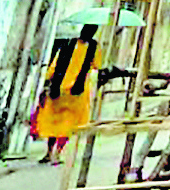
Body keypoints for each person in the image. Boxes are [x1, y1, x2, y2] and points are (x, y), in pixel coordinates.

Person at [30, 24, 129, 165]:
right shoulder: (93, 47)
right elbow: (96, 66)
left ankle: (49, 152)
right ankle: (57, 153)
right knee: (68, 124)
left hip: (59, 89)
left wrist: (47, 83)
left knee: (55, 123)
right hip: (76, 92)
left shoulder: (68, 44)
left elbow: (54, 66)